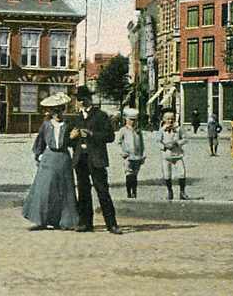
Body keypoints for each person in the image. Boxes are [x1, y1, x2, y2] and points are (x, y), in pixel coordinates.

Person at [22, 92, 79, 231]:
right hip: (49, 159)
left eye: (60, 110)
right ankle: (41, 220)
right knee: (45, 190)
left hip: (64, 159)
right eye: (55, 111)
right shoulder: (46, 125)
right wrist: (38, 155)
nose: (58, 114)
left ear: (64, 110)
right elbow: (40, 141)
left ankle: (65, 221)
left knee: (64, 190)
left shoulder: (69, 125)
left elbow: (75, 144)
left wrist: (73, 138)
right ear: (51, 112)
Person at [70, 85, 121, 234]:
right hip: (80, 159)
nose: (80, 102)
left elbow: (110, 137)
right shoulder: (76, 117)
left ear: (88, 99)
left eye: (82, 99)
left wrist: (91, 134)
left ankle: (111, 224)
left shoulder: (100, 115)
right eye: (78, 99)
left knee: (102, 191)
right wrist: (71, 137)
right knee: (83, 192)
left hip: (96, 159)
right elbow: (70, 140)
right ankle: (85, 223)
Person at [156, 108, 189, 200]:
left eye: (172, 119)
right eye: (168, 119)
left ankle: (182, 192)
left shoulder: (178, 129)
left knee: (182, 173)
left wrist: (177, 143)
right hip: (166, 156)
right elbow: (158, 141)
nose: (170, 121)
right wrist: (164, 146)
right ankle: (169, 191)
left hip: (177, 155)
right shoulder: (161, 130)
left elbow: (185, 138)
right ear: (163, 119)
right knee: (167, 174)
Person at [115, 108, 145, 199]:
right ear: (126, 119)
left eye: (135, 120)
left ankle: (134, 192)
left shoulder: (138, 131)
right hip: (127, 156)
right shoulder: (123, 130)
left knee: (135, 174)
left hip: (137, 156)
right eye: (131, 120)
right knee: (129, 174)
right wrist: (121, 152)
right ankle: (128, 192)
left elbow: (141, 143)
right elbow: (118, 142)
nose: (133, 122)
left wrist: (143, 154)